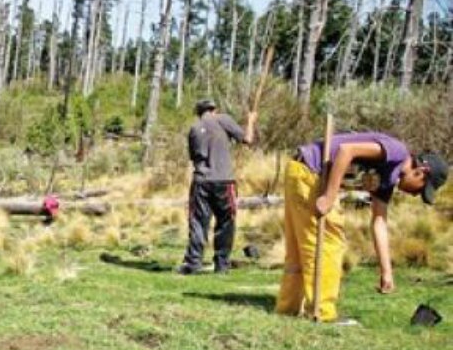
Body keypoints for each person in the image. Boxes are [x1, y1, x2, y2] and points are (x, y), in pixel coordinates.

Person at [275, 132, 447, 324]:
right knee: (328, 243)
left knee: (301, 247)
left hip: (299, 169)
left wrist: (386, 271)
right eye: (420, 189)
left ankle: (288, 308)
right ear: (420, 171)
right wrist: (330, 196)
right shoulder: (397, 152)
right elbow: (346, 150)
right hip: (310, 172)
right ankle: (322, 312)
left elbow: (379, 222)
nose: (416, 195)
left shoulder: (388, 179)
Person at [178, 99, 256, 275]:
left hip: (201, 181)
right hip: (223, 181)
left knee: (198, 222)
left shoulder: (194, 128)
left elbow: (194, 157)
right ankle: (221, 264)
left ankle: (193, 262)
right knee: (226, 222)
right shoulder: (222, 119)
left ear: (199, 112)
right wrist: (250, 121)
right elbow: (248, 140)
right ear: (214, 109)